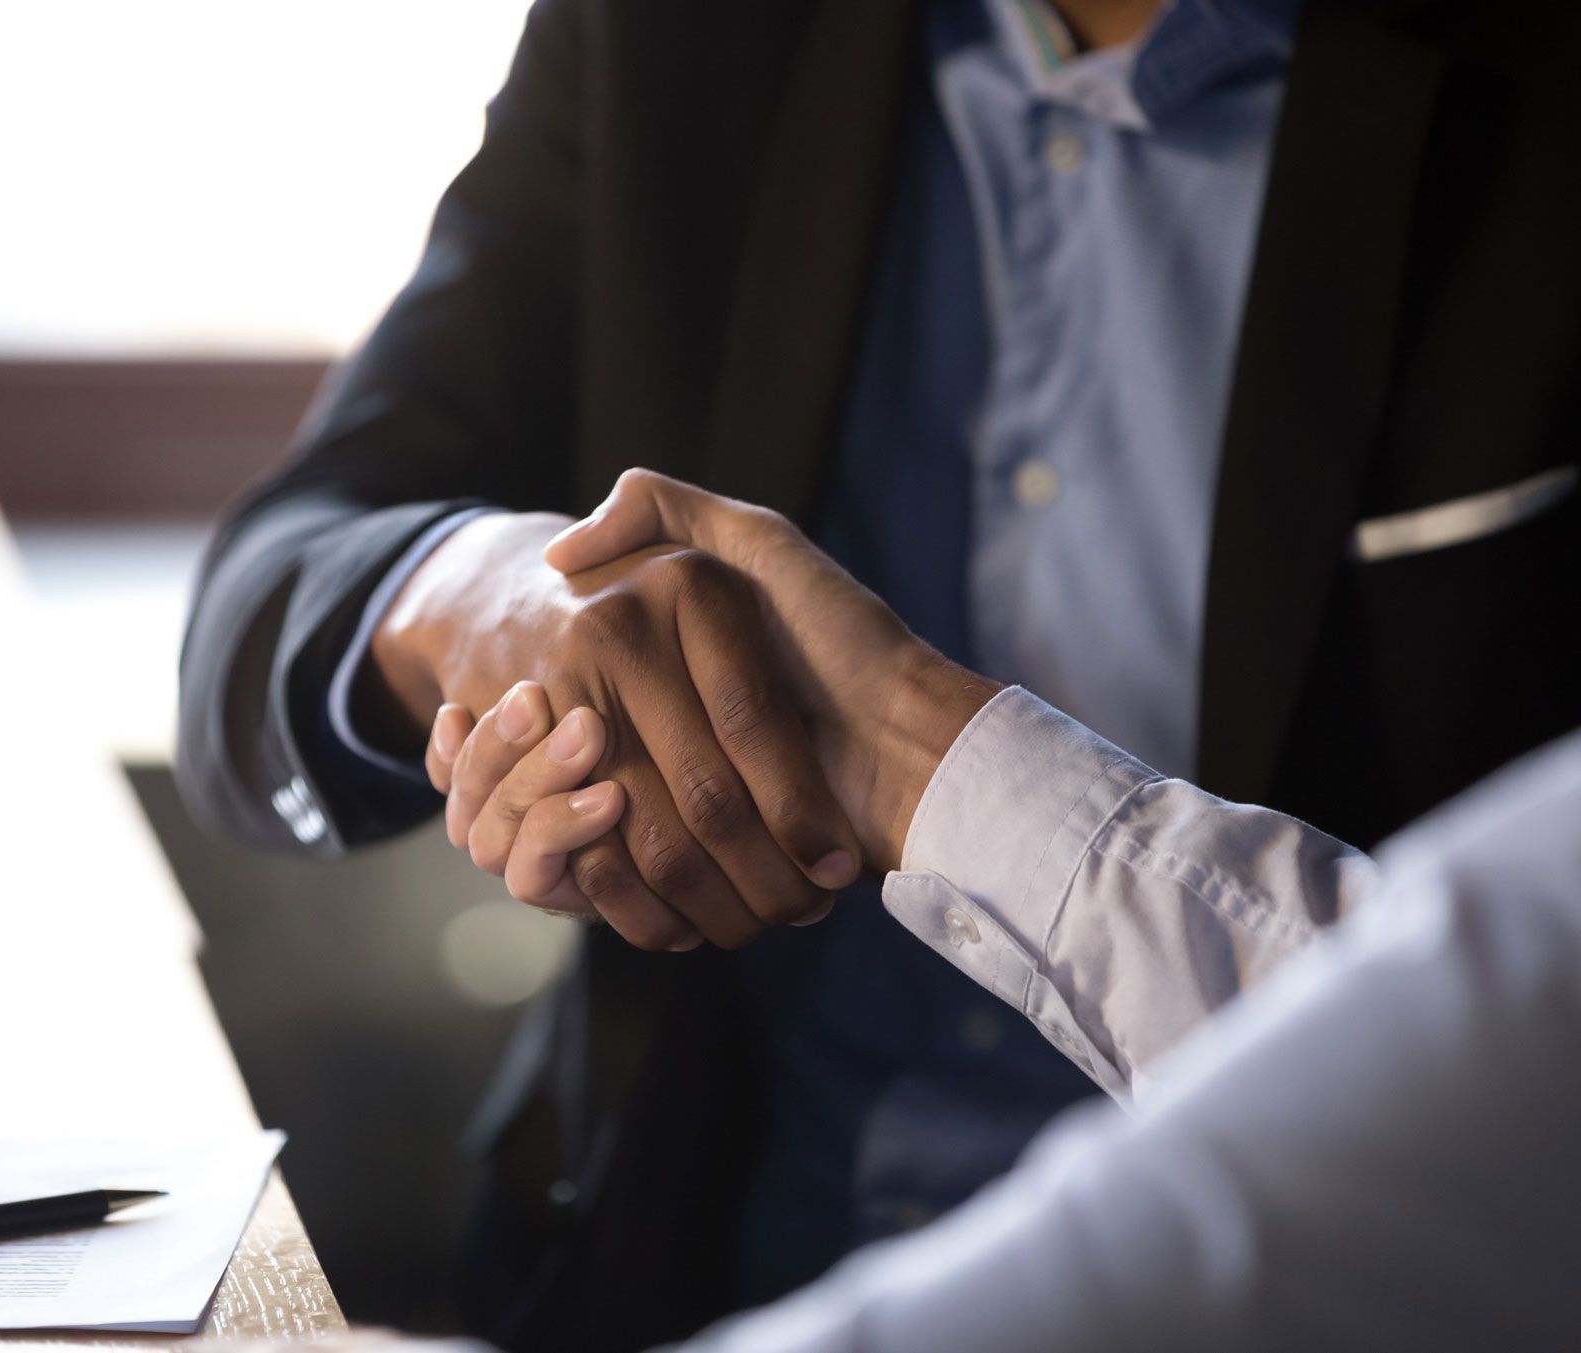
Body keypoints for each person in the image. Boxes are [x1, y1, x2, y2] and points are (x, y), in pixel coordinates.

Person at [176, 0, 1581, 1345]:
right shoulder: (682, 30)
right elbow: (259, 610)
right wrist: (486, 601)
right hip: (672, 1268)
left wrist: (914, 753)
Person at [393, 471, 1581, 1351]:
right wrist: (496, 589)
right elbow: (310, 534)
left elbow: (1338, 1163)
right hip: (652, 1250)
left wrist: (898, 745)